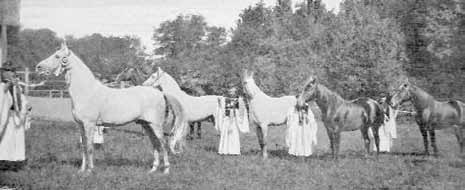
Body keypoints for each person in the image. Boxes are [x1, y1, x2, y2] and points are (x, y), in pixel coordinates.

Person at [216, 87, 249, 155]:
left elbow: (242, 111)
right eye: (230, 91)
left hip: (234, 120)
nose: (231, 93)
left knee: (234, 135)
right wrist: (219, 102)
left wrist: (235, 111)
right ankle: (224, 150)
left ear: (235, 92)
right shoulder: (225, 99)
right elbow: (221, 108)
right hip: (227, 120)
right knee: (225, 134)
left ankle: (234, 151)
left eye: (233, 91)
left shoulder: (238, 100)